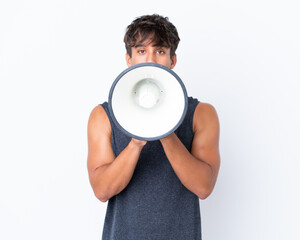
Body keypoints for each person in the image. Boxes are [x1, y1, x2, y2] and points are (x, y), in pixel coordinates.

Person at [87, 14, 220, 240]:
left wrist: (164, 128)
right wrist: (137, 140)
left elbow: (203, 187)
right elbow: (102, 190)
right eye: (141, 51)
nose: (150, 59)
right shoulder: (103, 116)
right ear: (129, 59)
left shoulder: (201, 113)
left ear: (172, 60)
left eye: (160, 51)